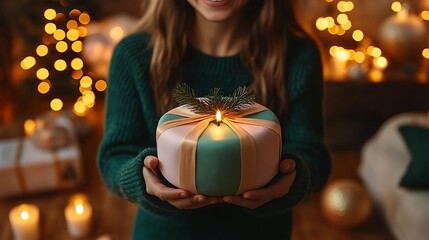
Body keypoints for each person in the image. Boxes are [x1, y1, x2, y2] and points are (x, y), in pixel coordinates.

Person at [97, 0, 331, 239]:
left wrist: (293, 176)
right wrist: (142, 179)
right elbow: (114, 155)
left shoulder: (298, 56)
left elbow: (312, 154)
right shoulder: (135, 55)